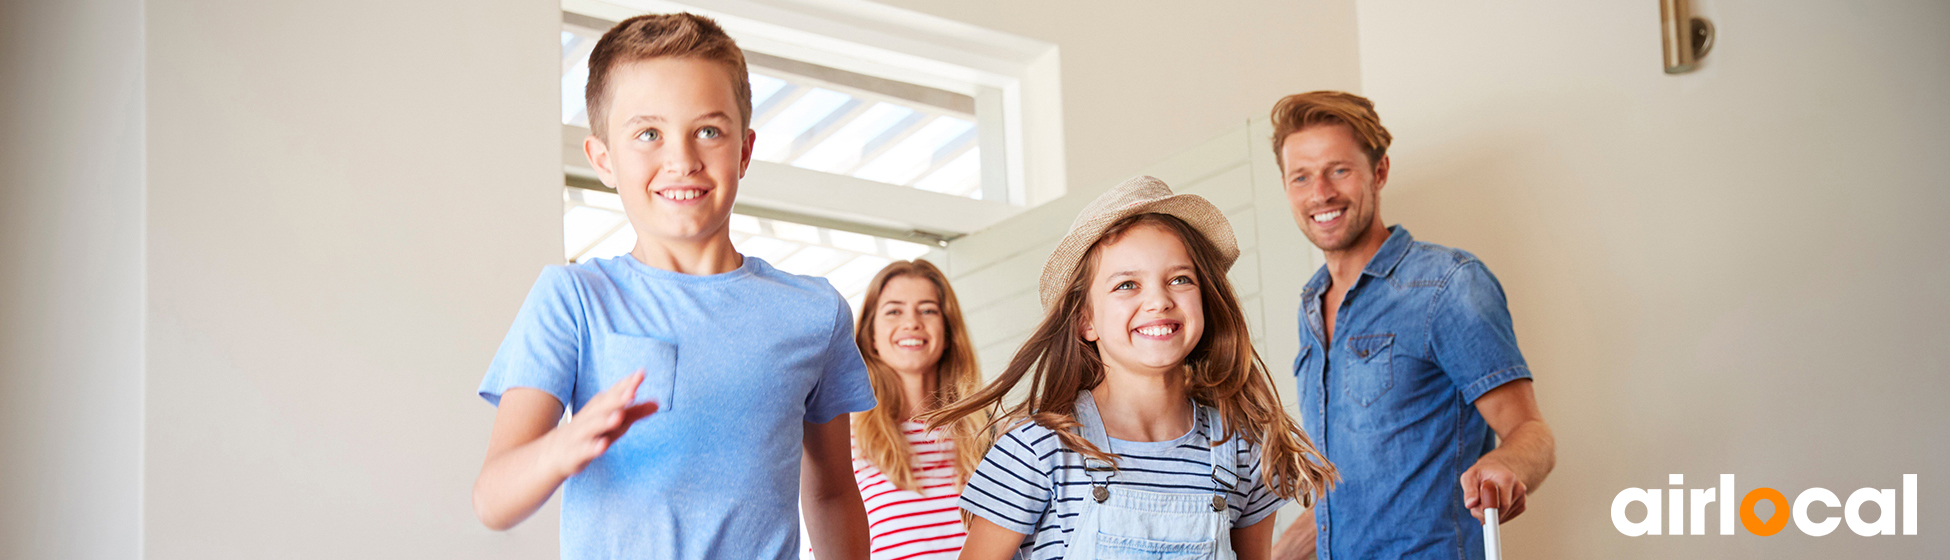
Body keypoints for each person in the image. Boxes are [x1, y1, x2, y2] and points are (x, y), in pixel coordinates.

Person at [468, 13, 874, 560]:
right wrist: (562, 447)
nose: (681, 159)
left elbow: (830, 493)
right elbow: (493, 499)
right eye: (648, 134)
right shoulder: (573, 299)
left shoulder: (814, 313)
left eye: (708, 130)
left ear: (745, 151)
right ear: (604, 159)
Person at [925, 176, 1337, 560]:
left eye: (1180, 279)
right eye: (1127, 285)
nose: (1159, 300)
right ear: (1085, 321)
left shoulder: (1242, 449)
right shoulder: (1038, 448)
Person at [1265, 91, 1556, 560]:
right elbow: (1347, 492)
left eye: (1338, 170)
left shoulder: (1448, 285)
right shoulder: (1310, 305)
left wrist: (1504, 464)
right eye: (1301, 176)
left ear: (1378, 172)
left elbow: (1533, 433)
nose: (1320, 192)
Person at [847, 259, 993, 560]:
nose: (912, 322)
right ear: (870, 336)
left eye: (927, 310)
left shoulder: (990, 433)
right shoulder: (843, 441)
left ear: (949, 331)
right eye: (893, 311)